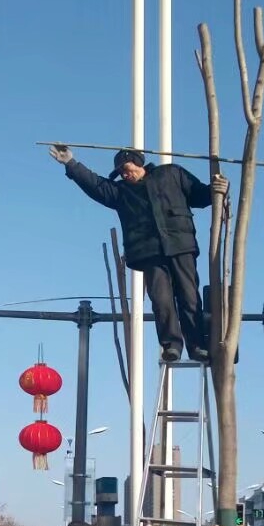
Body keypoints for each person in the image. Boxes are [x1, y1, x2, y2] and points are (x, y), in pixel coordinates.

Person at [51, 144, 228, 363]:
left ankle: (197, 345)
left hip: (180, 245)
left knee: (189, 297)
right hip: (148, 252)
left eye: (126, 169)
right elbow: (95, 184)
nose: (125, 175)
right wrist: (71, 163)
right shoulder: (121, 192)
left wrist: (217, 190)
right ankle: (171, 344)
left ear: (138, 162)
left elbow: (199, 195)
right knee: (161, 300)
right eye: (121, 173)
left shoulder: (171, 174)